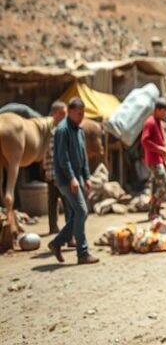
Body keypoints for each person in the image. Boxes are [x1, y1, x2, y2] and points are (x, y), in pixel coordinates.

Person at [48, 98, 99, 265]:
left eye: (83, 114)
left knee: (79, 213)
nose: (82, 117)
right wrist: (71, 178)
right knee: (82, 211)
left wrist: (87, 177)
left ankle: (56, 243)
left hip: (78, 179)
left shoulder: (79, 129)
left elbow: (83, 156)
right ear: (70, 112)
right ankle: (82, 253)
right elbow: (63, 159)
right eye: (79, 114)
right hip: (66, 180)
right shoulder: (62, 130)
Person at [141, 99, 166, 220]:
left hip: (160, 159)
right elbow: (145, 141)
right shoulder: (150, 122)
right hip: (153, 160)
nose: (165, 114)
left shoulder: (158, 122)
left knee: (156, 186)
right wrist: (160, 149)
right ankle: (153, 208)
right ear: (157, 110)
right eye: (164, 111)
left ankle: (155, 212)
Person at [43, 101, 67, 235]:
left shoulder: (51, 132)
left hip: (52, 174)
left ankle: (54, 228)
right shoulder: (57, 132)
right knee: (67, 203)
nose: (65, 116)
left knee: (52, 202)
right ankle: (68, 235)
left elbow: (46, 155)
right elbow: (55, 155)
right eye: (62, 113)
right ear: (54, 115)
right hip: (58, 175)